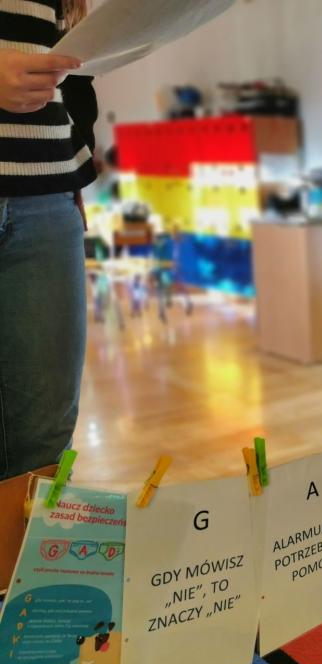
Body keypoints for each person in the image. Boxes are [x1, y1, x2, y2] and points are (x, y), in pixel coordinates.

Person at [0, 0, 96, 594]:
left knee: (45, 438)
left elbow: (71, 73)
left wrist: (74, 166)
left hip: (48, 193)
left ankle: (29, 618)